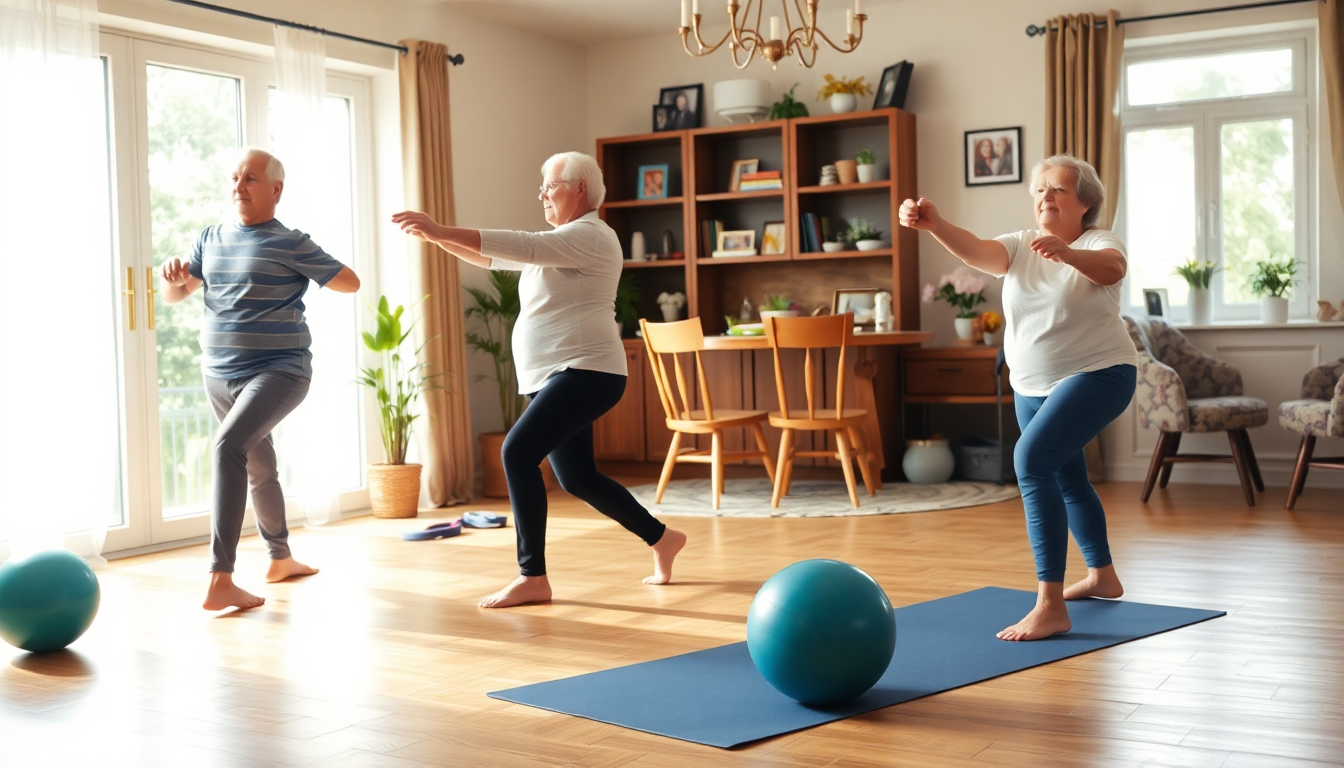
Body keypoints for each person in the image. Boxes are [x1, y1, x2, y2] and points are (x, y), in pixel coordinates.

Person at [391, 151, 688, 609]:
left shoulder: (590, 235)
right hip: (560, 373)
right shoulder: (561, 244)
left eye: (549, 186)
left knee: (516, 452)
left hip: (586, 370)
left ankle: (533, 577)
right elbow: (493, 257)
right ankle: (662, 538)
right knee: (579, 479)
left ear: (579, 189)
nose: (542, 195)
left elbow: (521, 244)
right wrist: (435, 239)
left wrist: (440, 228)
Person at [898, 154, 1138, 642]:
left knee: (1030, 462)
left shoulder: (1098, 240)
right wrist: (937, 224)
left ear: (1084, 203)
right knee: (1067, 476)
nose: (1045, 196)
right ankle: (1102, 576)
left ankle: (1049, 605)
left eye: (1058, 189)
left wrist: (1068, 254)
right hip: (1031, 384)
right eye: (1039, 190)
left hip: (1100, 373)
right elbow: (977, 251)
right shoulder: (1021, 244)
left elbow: (1112, 269)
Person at [161, 148, 361, 611]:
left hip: (280, 370)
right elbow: (176, 295)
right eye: (234, 177)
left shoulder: (289, 241)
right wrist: (170, 277)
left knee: (229, 447)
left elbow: (348, 281)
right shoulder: (210, 238)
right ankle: (280, 558)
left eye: (250, 178)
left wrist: (316, 273)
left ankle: (220, 576)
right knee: (258, 464)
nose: (238, 186)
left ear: (275, 190)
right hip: (218, 374)